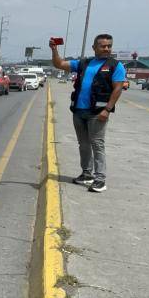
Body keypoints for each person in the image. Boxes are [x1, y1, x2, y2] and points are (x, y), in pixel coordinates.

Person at [50, 34, 126, 193]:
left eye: (109, 46)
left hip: (98, 113)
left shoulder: (115, 66)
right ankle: (86, 174)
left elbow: (118, 89)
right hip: (79, 111)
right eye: (103, 46)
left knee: (97, 145)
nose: (106, 49)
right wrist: (54, 50)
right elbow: (59, 64)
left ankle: (100, 179)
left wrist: (107, 109)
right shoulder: (83, 63)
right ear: (94, 47)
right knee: (83, 144)